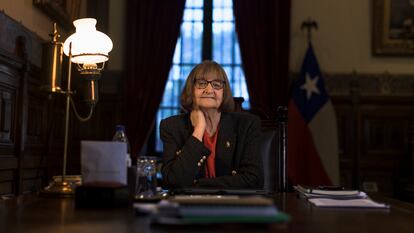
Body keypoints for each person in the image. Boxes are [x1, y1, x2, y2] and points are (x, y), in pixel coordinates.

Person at [160, 60, 263, 189]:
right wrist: (198, 130)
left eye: (216, 84)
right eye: (202, 83)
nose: (209, 89)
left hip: (234, 206)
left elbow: (253, 180)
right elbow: (172, 181)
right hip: (188, 206)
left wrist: (198, 184)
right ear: (191, 90)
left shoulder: (248, 125)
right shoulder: (171, 126)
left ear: (224, 92)